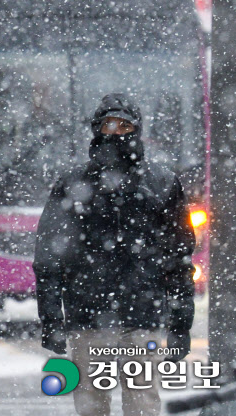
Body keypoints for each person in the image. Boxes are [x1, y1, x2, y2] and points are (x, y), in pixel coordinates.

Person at [34, 93, 195, 416]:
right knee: (92, 405)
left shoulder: (162, 183)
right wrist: (51, 319)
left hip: (142, 315)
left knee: (142, 403)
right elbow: (48, 259)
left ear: (137, 130)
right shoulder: (72, 183)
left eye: (124, 126)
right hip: (87, 315)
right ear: (97, 129)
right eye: (109, 125)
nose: (116, 133)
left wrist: (180, 324)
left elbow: (179, 258)